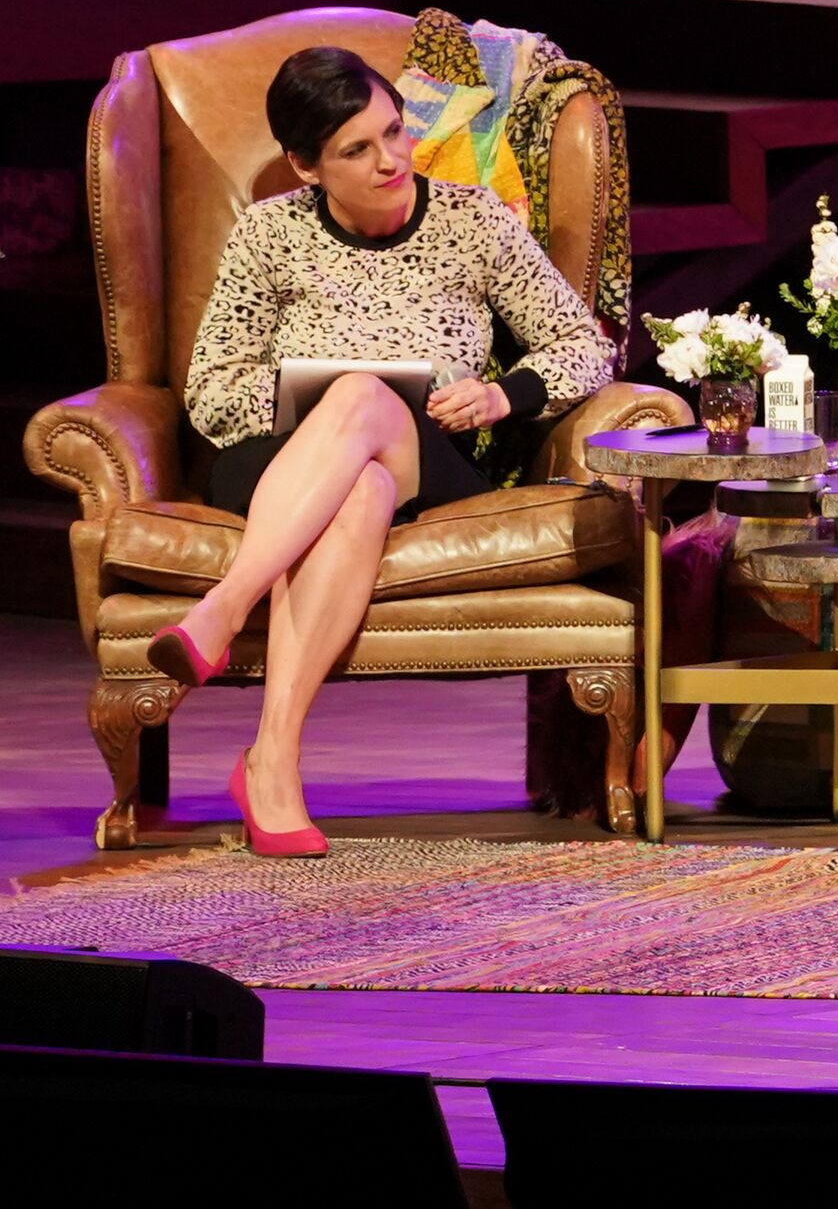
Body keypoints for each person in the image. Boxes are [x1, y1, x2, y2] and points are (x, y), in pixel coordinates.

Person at [146, 46, 618, 857]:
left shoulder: (473, 222)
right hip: (277, 464)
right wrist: (314, 399)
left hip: (427, 458)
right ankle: (271, 763)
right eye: (357, 150)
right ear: (306, 166)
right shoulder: (270, 233)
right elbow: (212, 389)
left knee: (366, 399)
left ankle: (224, 607)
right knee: (356, 473)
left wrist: (506, 395)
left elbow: (584, 344)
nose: (391, 160)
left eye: (394, 133)